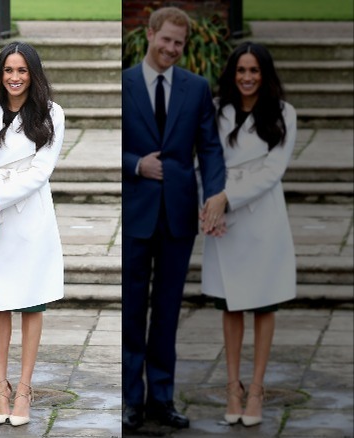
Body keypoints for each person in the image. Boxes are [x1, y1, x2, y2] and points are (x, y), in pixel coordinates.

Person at [121, 6, 227, 430]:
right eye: (165, 39)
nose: (171, 49)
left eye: (178, 44)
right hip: (134, 214)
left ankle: (161, 399)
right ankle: (130, 400)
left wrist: (216, 193)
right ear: (149, 34)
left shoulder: (196, 87)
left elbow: (211, 147)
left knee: (167, 312)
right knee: (131, 311)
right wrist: (135, 164)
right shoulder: (123, 84)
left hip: (179, 217)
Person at [0, 42, 65, 427]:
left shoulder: (52, 113)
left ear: (33, 73)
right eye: (8, 70)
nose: (15, 77)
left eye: (22, 70)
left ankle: (24, 389)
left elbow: (41, 171)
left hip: (29, 217)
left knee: (31, 302)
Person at [200, 42, 297, 427]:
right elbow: (204, 159)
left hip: (264, 219)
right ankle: (232, 386)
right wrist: (209, 206)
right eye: (241, 70)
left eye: (254, 70)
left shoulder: (285, 113)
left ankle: (256, 388)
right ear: (232, 73)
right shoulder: (217, 110)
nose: (247, 77)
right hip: (222, 218)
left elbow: (273, 171)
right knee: (230, 303)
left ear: (265, 74)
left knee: (264, 302)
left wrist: (226, 198)